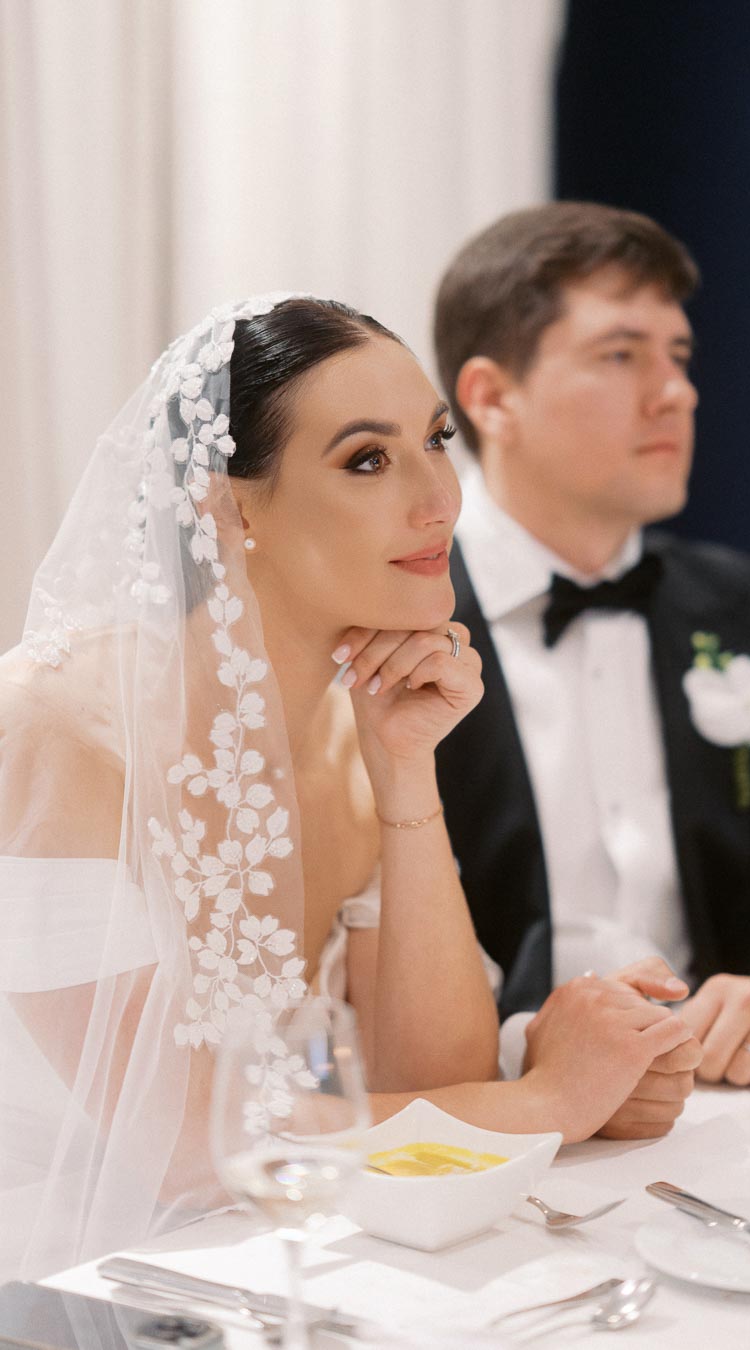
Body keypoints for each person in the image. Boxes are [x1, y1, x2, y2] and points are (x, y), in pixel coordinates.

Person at [0, 293, 697, 1279]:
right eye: (368, 459)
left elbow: (431, 1076)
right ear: (230, 508)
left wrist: (405, 772)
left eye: (436, 442)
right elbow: (187, 1148)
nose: (439, 500)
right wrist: (547, 1099)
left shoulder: (358, 724)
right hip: (62, 1277)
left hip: (280, 1262)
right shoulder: (50, 730)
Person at [432, 202, 750, 1112]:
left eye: (678, 356)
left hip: (719, 1117)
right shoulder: (389, 613)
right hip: (473, 1122)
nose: (675, 391)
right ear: (491, 397)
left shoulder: (745, 602)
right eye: (621, 354)